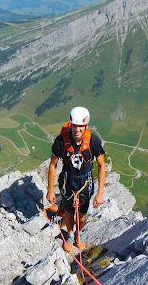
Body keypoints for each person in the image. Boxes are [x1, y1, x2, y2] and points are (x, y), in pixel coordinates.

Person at [47, 106, 106, 251]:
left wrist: (100, 193)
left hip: (85, 183)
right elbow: (52, 165)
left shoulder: (94, 142)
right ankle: (70, 235)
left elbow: (101, 166)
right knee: (68, 212)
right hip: (67, 182)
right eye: (74, 126)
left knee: (82, 214)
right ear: (71, 125)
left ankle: (79, 233)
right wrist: (50, 190)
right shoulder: (61, 141)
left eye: (80, 126)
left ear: (86, 126)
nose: (77, 129)